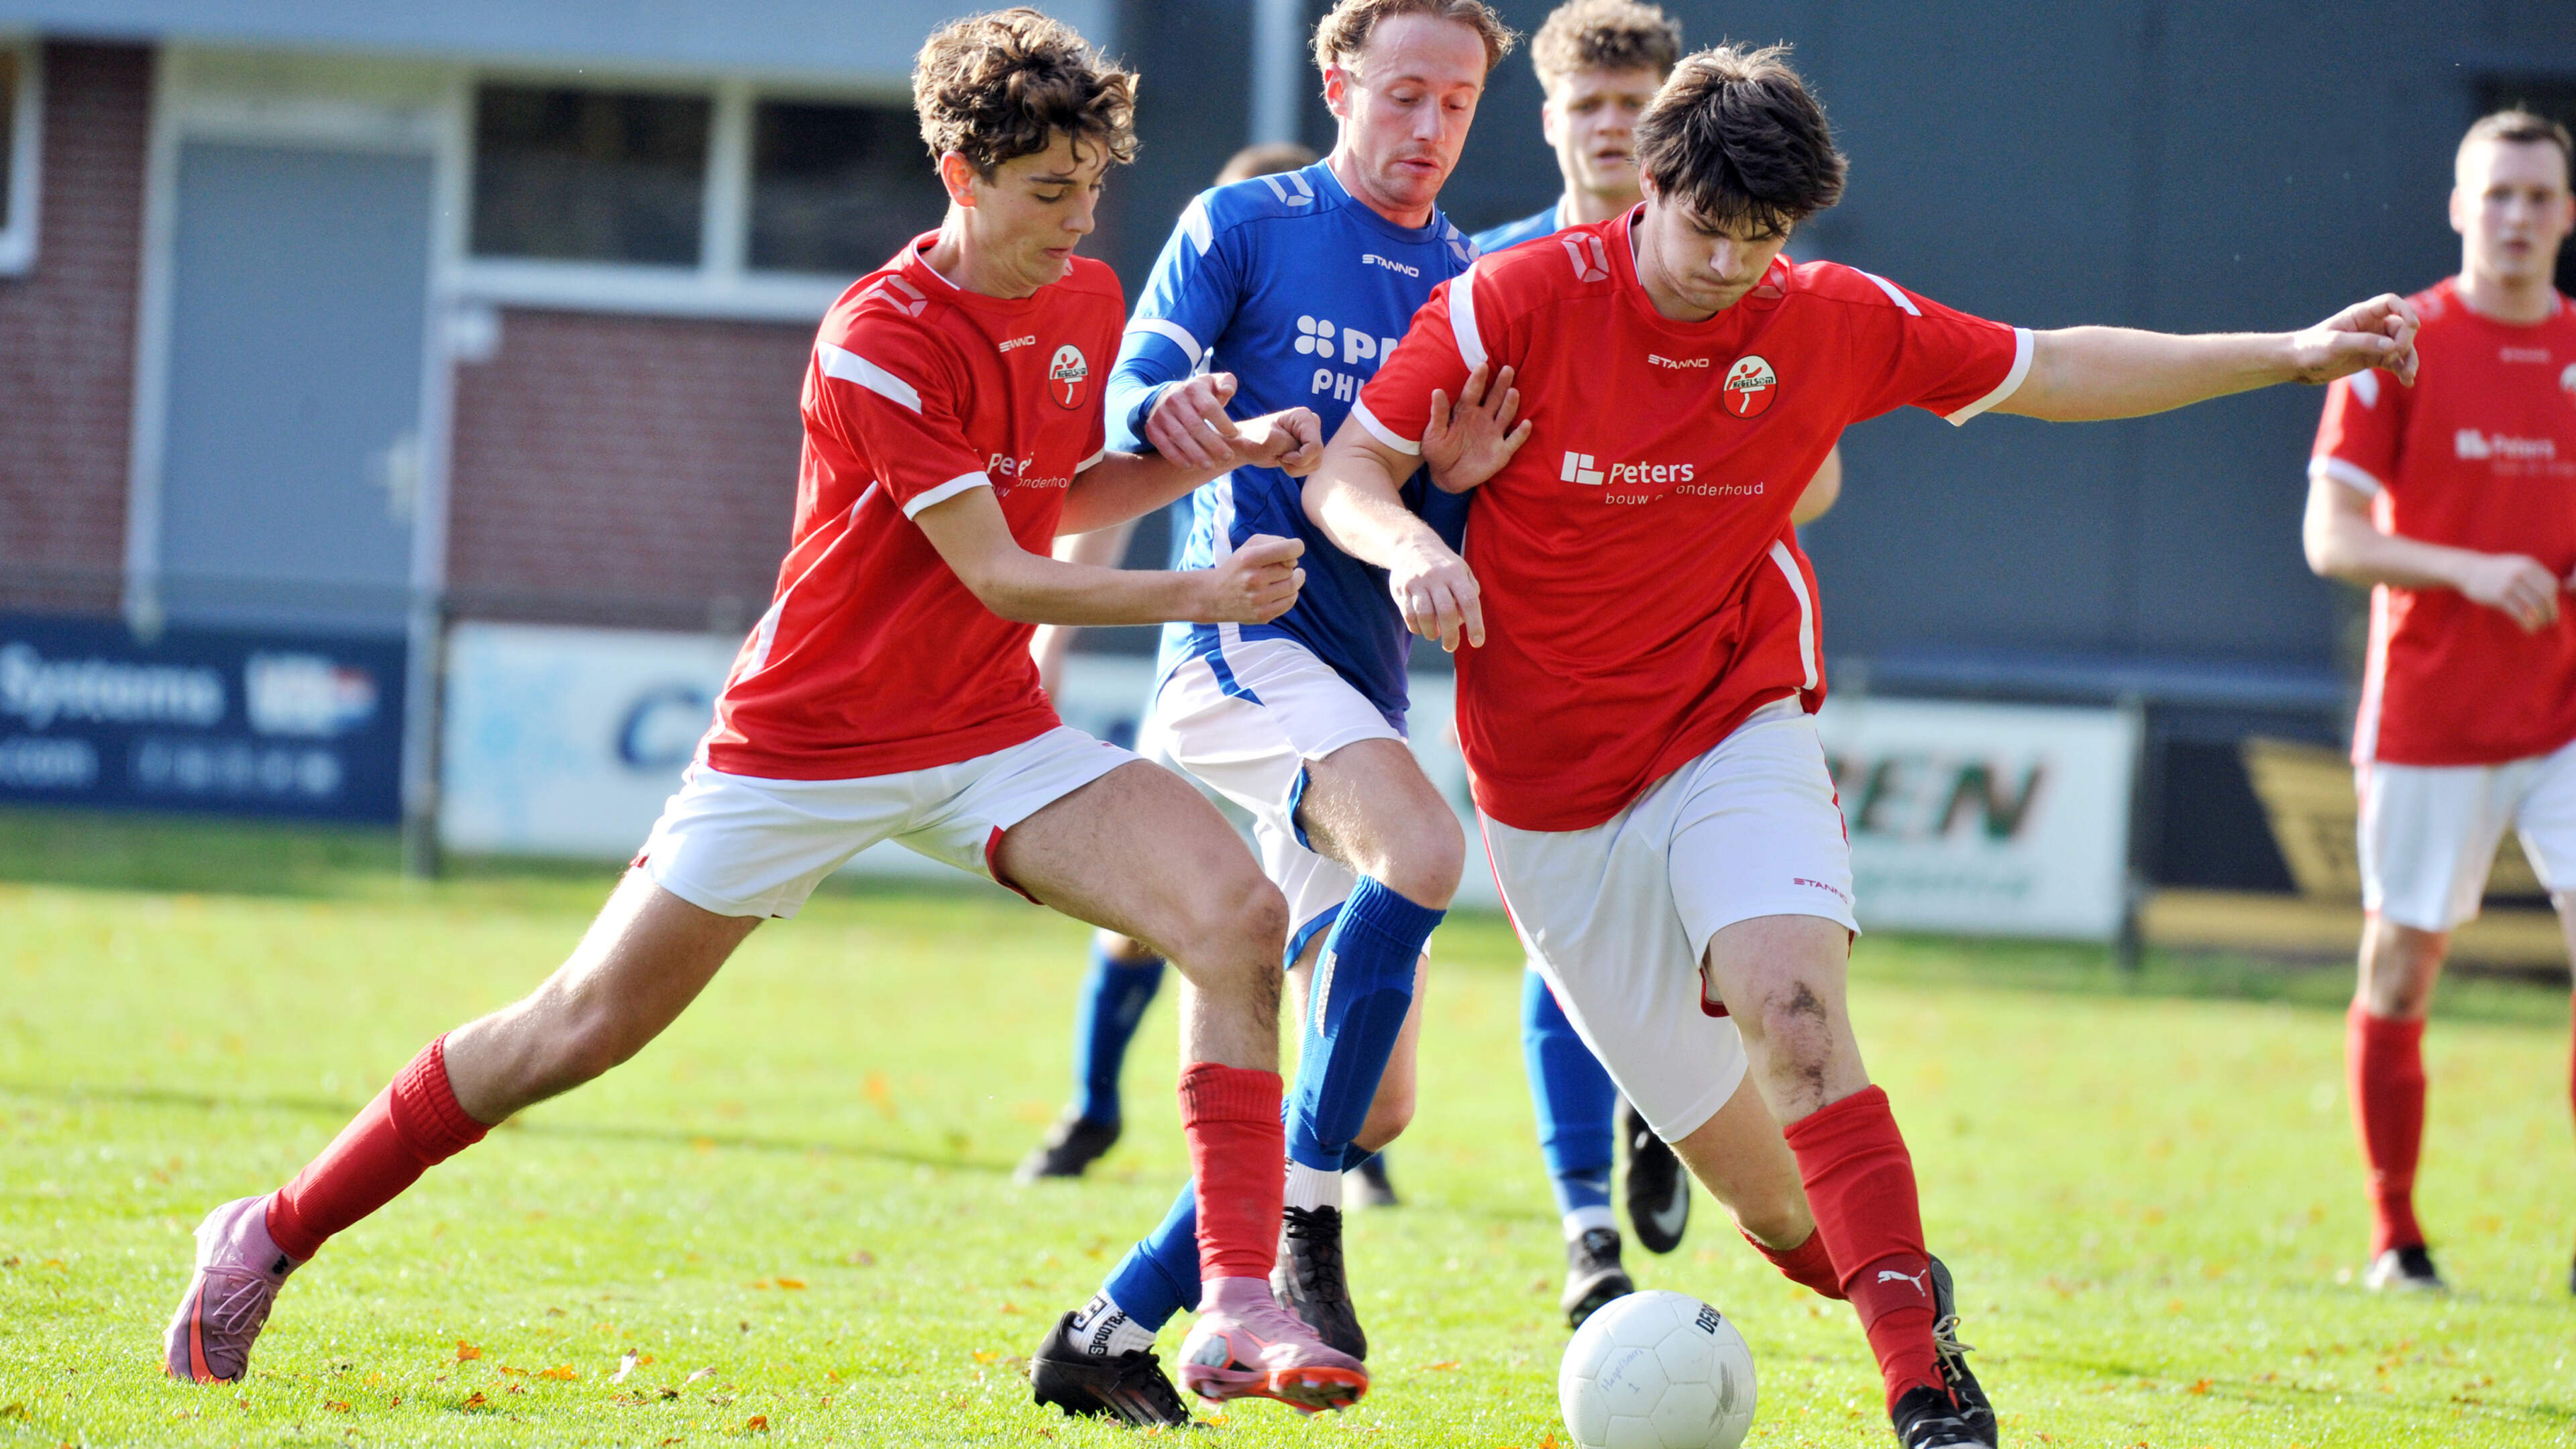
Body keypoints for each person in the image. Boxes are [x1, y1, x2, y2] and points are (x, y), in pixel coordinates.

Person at [161, 8, 1374, 1416]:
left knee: (1236, 918)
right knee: (575, 1030)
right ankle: (267, 1233)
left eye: (1094, 188)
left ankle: (1232, 1302)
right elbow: (994, 571)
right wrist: (1207, 598)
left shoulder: (1085, 301)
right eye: (1049, 192)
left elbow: (1057, 505)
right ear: (958, 172)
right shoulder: (877, 336)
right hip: (804, 744)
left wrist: (1218, 456)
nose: (1079, 220)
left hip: (982, 733)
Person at [1307, 43, 2419, 1449]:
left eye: (1763, 239)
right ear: (1649, 186)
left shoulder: (1823, 316)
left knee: (1799, 1020)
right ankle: (1898, 1283)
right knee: (1777, 1207)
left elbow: (2055, 364)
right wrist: (1410, 544)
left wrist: (2294, 353)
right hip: (1550, 810)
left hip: (1732, 726)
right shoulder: (1517, 299)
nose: (1730, 266)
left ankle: (1924, 1389)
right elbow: (1351, 466)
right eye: (1709, 228)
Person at [1025, 0, 1510, 1426]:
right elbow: (1135, 388)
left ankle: (1109, 1328)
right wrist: (1197, 416)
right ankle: (1307, 1234)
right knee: (1425, 853)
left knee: (1376, 1107)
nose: (1428, 130)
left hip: (1357, 686)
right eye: (1405, 94)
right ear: (1339, 76)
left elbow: (1432, 509)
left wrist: (1464, 477)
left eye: (1457, 105)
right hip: (1239, 650)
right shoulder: (1247, 221)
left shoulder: (1469, 280)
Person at [1466, 0, 1846, 1328]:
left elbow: (1818, 470)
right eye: (1592, 107)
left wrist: (1671, 475)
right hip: (1536, 683)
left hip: (1698, 676)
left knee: (1733, 951)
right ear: (1554, 119)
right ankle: (1586, 1231)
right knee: (1553, 960)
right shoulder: (1494, 274)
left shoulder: (1736, 262)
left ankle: (1674, 1119)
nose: (1617, 131)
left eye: (1640, 107)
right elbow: (1415, 456)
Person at [1016, 140, 1335, 1193]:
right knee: (1153, 910)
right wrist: (1052, 645)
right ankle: (1092, 1112)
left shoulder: (1370, 327)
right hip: (1210, 655)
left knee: (1318, 920)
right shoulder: (1202, 353)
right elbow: (1099, 498)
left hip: (1336, 665)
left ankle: (1334, 1144)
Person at [2302, 107, 2576, 1296]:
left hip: (2565, 713)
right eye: (2496, 194)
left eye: (2539, 196)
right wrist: (2470, 568)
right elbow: (2331, 537)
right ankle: (2396, 1237)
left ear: (2568, 214)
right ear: (2459, 207)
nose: (2517, 216)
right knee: (2402, 970)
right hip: (2430, 713)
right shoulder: (2401, 344)